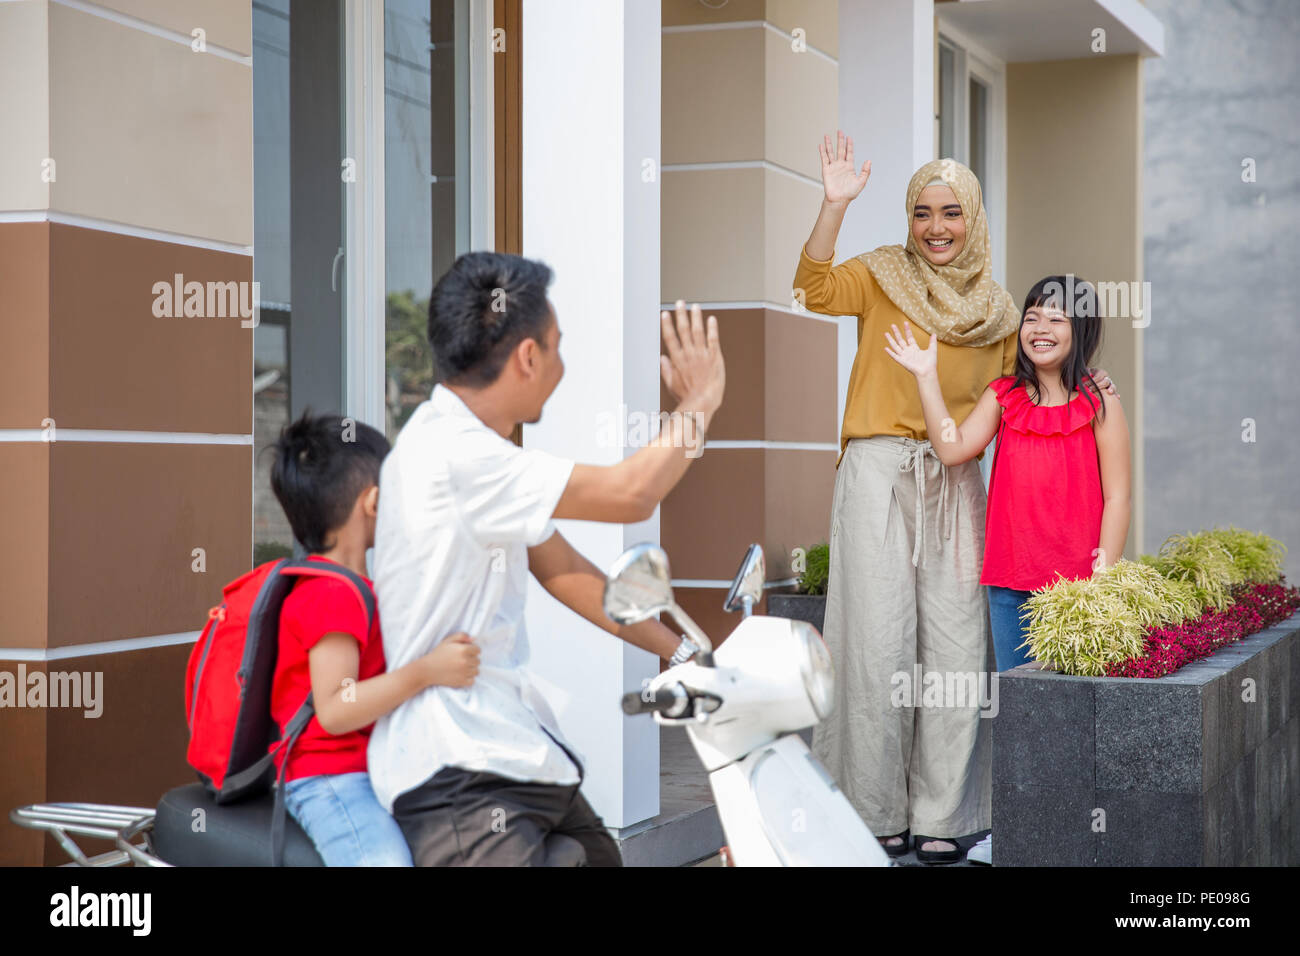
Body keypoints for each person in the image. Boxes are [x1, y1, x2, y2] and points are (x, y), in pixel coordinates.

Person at [792, 133, 1117, 864]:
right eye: (920, 212)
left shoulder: (1002, 312)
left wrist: (1097, 386)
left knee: (957, 650)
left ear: (973, 220)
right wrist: (833, 206)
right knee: (875, 648)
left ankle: (943, 812)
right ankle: (874, 810)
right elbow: (810, 289)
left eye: (951, 213)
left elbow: (1027, 395)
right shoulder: (880, 275)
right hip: (877, 470)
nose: (936, 227)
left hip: (958, 479)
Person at [367, 251, 726, 866]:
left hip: (515, 754)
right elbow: (630, 493)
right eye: (557, 346)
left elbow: (565, 572)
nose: (562, 364)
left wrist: (685, 655)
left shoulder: (471, 452)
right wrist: (701, 402)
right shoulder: (455, 455)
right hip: (460, 777)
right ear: (528, 356)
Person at [885, 276, 1131, 863]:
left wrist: (1104, 575)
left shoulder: (1099, 399)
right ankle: (1016, 832)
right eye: (1032, 317)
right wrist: (925, 375)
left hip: (1075, 593)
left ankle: (1076, 832)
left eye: (1056, 318)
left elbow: (1118, 496)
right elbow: (952, 448)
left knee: (1071, 717)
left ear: (1082, 331)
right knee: (1020, 718)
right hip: (1008, 583)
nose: (1039, 328)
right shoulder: (1003, 395)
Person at [267, 411, 482, 866]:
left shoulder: (358, 585)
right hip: (329, 778)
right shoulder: (331, 594)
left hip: (369, 766)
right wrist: (427, 672)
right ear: (375, 502)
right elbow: (337, 708)